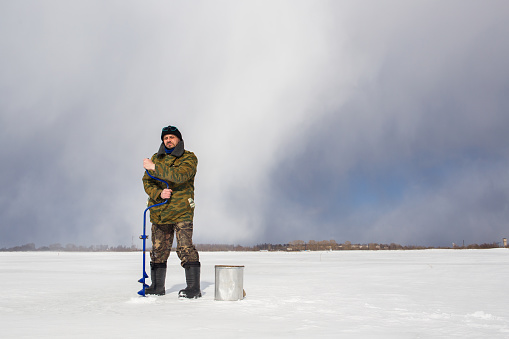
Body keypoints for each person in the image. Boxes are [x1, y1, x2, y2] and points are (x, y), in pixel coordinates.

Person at [142, 125, 201, 298]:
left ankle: (193, 288)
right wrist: (158, 193)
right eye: (165, 138)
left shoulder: (189, 157)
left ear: (179, 140)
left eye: (172, 138)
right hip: (159, 211)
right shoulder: (156, 158)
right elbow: (147, 182)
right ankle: (157, 287)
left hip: (181, 210)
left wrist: (155, 168)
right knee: (158, 250)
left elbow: (180, 176)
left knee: (185, 247)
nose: (168, 140)